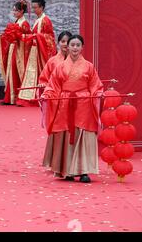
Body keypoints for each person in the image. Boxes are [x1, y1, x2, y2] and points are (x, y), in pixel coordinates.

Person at [41, 35, 103, 183]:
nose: (75, 48)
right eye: (72, 45)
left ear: (82, 47)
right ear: (67, 47)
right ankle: (67, 170)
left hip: (84, 104)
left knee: (83, 135)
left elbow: (96, 85)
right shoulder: (60, 67)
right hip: (64, 103)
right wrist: (47, 95)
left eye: (78, 45)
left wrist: (99, 94)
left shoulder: (89, 66)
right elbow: (53, 85)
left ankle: (84, 171)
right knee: (66, 134)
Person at [18, 0, 56, 107]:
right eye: (33, 8)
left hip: (40, 51)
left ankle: (41, 96)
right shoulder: (38, 20)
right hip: (35, 51)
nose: (34, 10)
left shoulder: (45, 20)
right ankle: (32, 96)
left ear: (42, 7)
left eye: (35, 8)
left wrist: (36, 36)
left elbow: (50, 38)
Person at [0, 0, 31, 105]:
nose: (14, 13)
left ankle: (15, 97)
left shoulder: (24, 23)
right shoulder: (17, 22)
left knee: (15, 73)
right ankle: (10, 98)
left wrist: (18, 36)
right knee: (11, 73)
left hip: (19, 52)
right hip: (14, 50)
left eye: (16, 11)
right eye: (14, 11)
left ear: (21, 11)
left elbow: (27, 39)